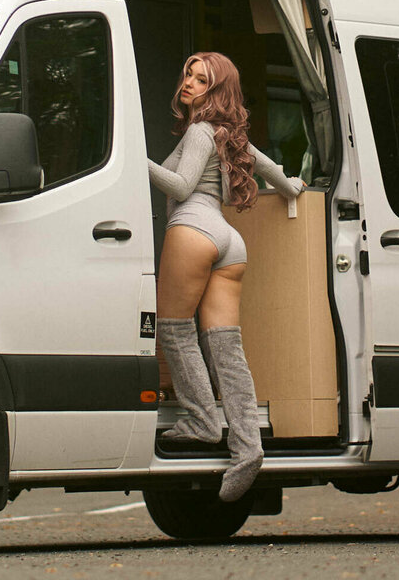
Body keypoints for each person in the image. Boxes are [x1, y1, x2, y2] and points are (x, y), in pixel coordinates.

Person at [147, 51, 305, 502]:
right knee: (226, 348)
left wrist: (130, 159)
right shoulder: (227, 135)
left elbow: (181, 187)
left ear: (217, 91)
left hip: (193, 230)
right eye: (189, 75)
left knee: (174, 331)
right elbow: (269, 169)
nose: (189, 83)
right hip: (229, 241)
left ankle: (201, 421)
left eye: (201, 80)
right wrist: (292, 187)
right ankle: (248, 449)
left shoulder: (199, 131)